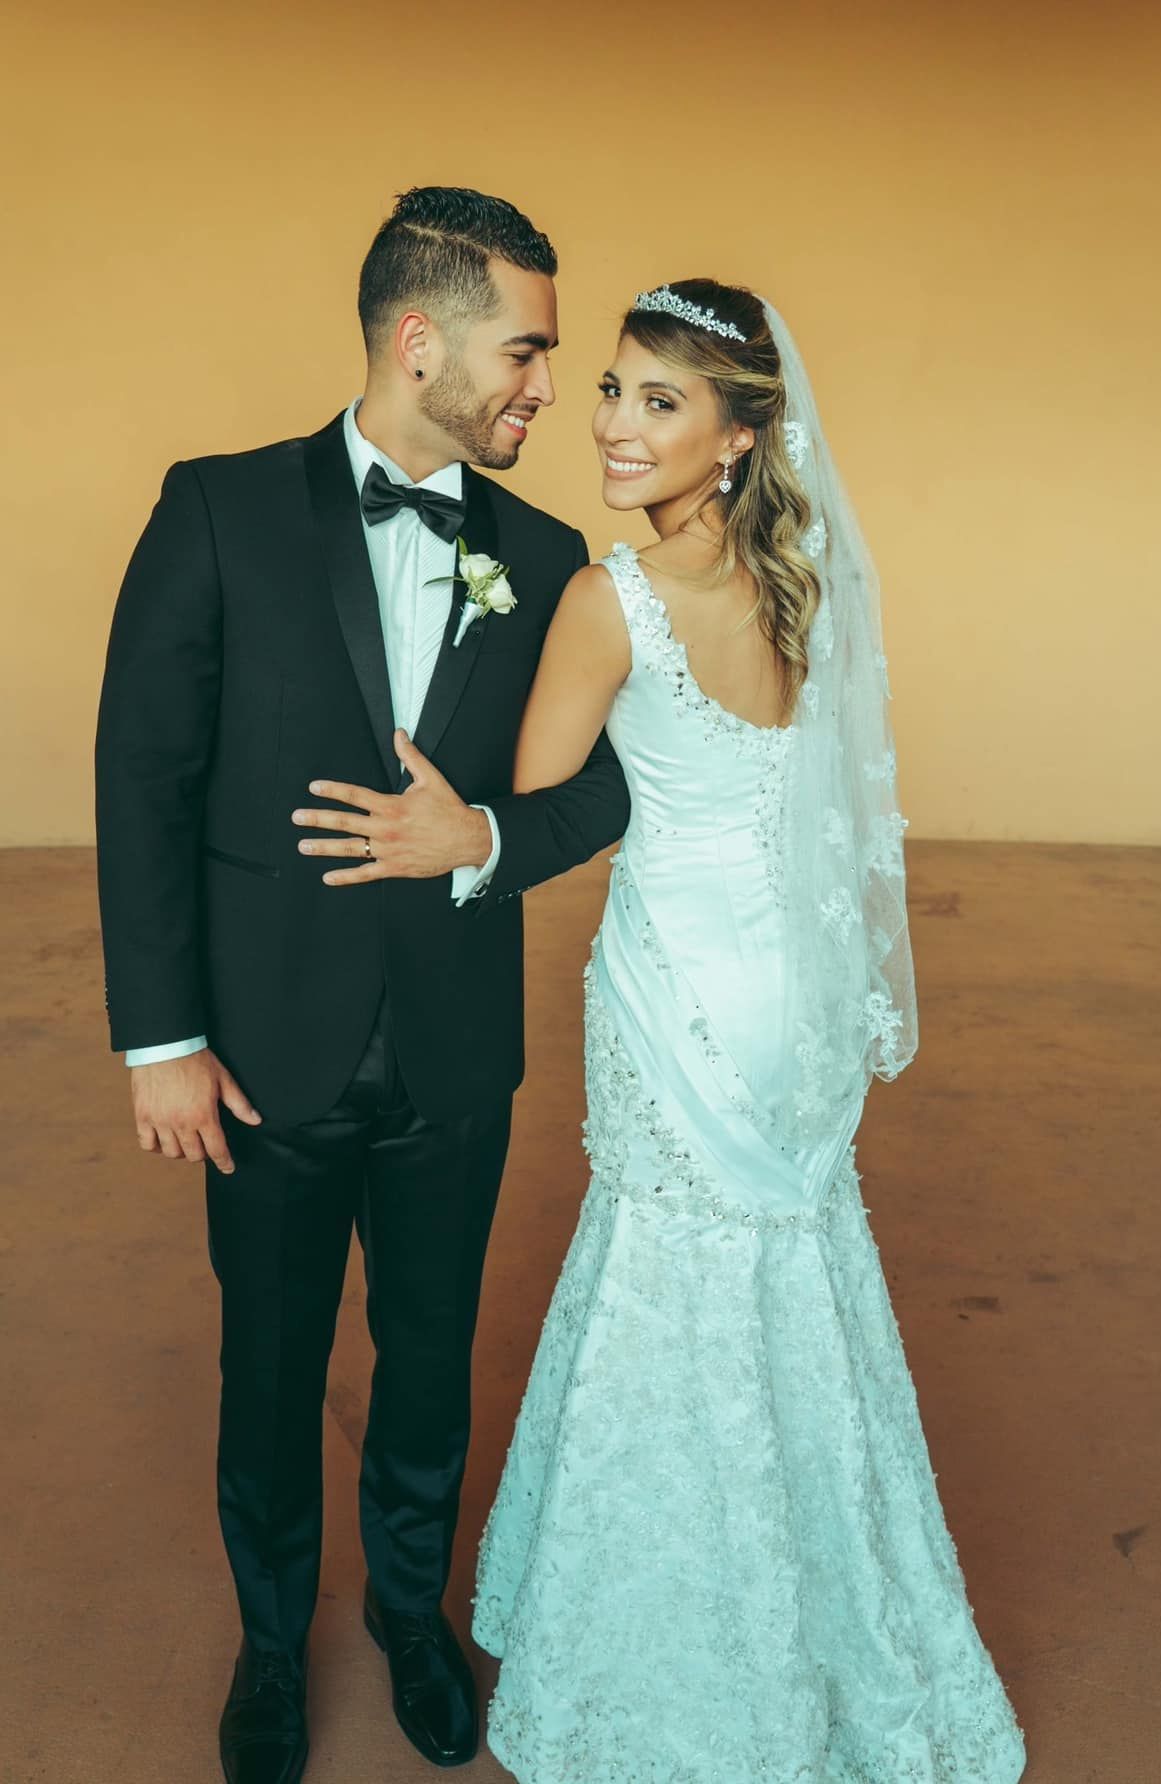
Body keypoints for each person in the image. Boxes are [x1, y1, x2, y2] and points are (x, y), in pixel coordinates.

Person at [94, 186, 628, 1784]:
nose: (548, 385)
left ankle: (412, 1620)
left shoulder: (545, 558)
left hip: (456, 1053)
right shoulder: (217, 510)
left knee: (431, 1358)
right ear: (421, 342)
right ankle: (272, 1645)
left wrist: (483, 835)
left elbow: (605, 795)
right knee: (267, 1364)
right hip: (259, 1048)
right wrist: (163, 1041)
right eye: (524, 350)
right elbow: (144, 784)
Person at [465, 279, 1028, 1781]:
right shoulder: (806, 579)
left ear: (733, 436)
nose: (616, 425)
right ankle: (841, 1607)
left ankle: (688, 1642)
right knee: (791, 1272)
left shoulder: (609, 598)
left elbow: (536, 804)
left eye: (662, 402)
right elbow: (828, 807)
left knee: (671, 1268)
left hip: (679, 993)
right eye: (611, 389)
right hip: (794, 998)